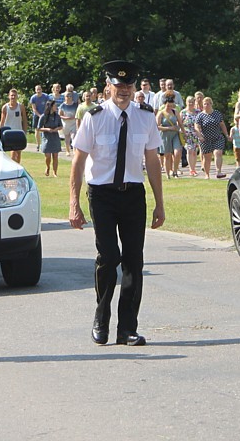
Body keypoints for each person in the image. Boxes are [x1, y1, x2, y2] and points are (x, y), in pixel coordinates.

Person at [69, 60, 164, 347]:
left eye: (129, 86)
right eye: (118, 85)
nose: (123, 91)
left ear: (135, 87)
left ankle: (127, 329)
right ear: (108, 86)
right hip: (102, 195)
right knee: (109, 257)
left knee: (134, 260)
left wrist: (160, 203)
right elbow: (78, 160)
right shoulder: (94, 117)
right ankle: (101, 317)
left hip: (133, 193)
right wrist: (74, 201)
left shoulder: (145, 117)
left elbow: (152, 160)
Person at [194, 97, 228, 179]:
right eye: (205, 103)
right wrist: (200, 136)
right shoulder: (200, 115)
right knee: (207, 157)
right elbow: (197, 127)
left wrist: (226, 135)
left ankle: (219, 172)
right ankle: (207, 174)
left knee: (218, 153)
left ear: (211, 104)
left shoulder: (217, 113)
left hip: (217, 137)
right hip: (205, 139)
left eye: (208, 103)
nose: (206, 105)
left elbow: (222, 125)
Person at [156, 91, 183, 178]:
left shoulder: (175, 112)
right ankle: (168, 174)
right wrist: (169, 128)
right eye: (168, 105)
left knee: (177, 152)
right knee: (167, 155)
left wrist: (184, 132)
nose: (170, 107)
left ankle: (175, 171)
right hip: (165, 135)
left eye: (171, 105)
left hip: (175, 135)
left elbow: (180, 123)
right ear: (165, 104)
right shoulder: (161, 113)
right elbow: (157, 127)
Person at [0, 88, 28, 163]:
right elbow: (2, 122)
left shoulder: (20, 107)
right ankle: (13, 167)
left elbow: (24, 120)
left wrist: (25, 131)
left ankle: (18, 166)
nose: (13, 97)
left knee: (18, 152)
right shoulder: (5, 108)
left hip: (18, 131)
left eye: (14, 95)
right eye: (11, 95)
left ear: (17, 96)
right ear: (9, 96)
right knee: (13, 152)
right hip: (9, 133)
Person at [37, 100, 62, 176]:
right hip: (46, 138)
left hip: (55, 138)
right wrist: (47, 129)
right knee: (48, 156)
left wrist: (55, 129)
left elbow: (61, 126)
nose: (56, 107)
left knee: (55, 155)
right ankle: (47, 167)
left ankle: (55, 172)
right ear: (50, 106)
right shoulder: (43, 116)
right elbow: (38, 128)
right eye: (55, 106)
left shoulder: (57, 116)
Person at [181, 96, 200, 176]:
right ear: (186, 102)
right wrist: (183, 133)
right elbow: (180, 123)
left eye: (192, 101)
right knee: (189, 151)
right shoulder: (183, 112)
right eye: (189, 102)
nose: (191, 103)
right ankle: (191, 169)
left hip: (195, 133)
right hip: (187, 133)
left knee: (194, 152)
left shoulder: (198, 112)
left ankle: (194, 168)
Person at [29, 85, 50, 151]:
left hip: (45, 114)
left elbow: (48, 105)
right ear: (35, 90)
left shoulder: (46, 96)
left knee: (46, 129)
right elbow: (34, 109)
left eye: (39, 89)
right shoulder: (33, 98)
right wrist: (39, 115)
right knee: (37, 129)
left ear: (41, 89)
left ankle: (46, 144)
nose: (38, 90)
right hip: (36, 115)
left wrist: (45, 114)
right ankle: (38, 145)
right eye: (37, 89)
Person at [59, 91, 78, 157]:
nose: (69, 97)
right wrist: (66, 118)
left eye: (70, 96)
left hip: (73, 123)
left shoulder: (75, 105)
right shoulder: (62, 105)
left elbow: (77, 113)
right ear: (65, 97)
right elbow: (60, 115)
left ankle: (74, 151)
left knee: (74, 136)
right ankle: (67, 151)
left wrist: (74, 117)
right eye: (67, 96)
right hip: (65, 123)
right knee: (67, 138)